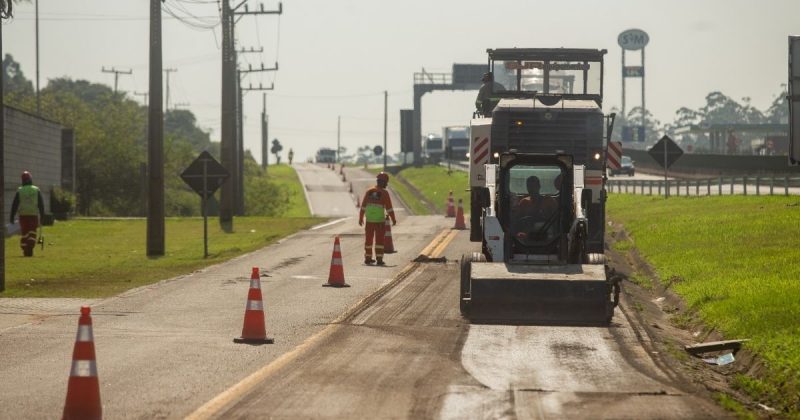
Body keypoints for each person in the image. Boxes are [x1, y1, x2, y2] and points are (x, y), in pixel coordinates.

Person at [358, 172, 397, 266]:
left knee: (368, 240)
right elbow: (389, 208)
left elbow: (363, 206)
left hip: (369, 221)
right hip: (379, 221)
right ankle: (379, 259)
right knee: (379, 241)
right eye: (386, 182)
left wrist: (360, 218)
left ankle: (368, 258)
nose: (386, 184)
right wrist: (393, 219)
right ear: (383, 182)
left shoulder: (369, 191)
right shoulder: (384, 193)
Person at [10, 171, 45, 257]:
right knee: (32, 232)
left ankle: (25, 249)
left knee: (25, 233)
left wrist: (11, 216)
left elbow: (15, 204)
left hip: (23, 215)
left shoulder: (20, 190)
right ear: (30, 179)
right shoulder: (36, 189)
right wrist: (42, 215)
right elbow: (41, 204)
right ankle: (30, 249)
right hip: (33, 215)